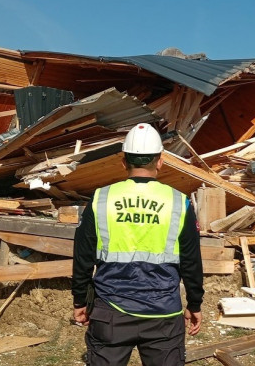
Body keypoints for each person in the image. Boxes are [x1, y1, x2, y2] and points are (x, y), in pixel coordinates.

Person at [72, 123, 204, 366]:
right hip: (163, 314)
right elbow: (191, 260)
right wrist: (194, 303)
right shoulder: (179, 202)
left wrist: (80, 300)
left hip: (111, 310)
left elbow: (82, 257)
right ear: (160, 161)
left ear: (124, 162)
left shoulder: (101, 199)